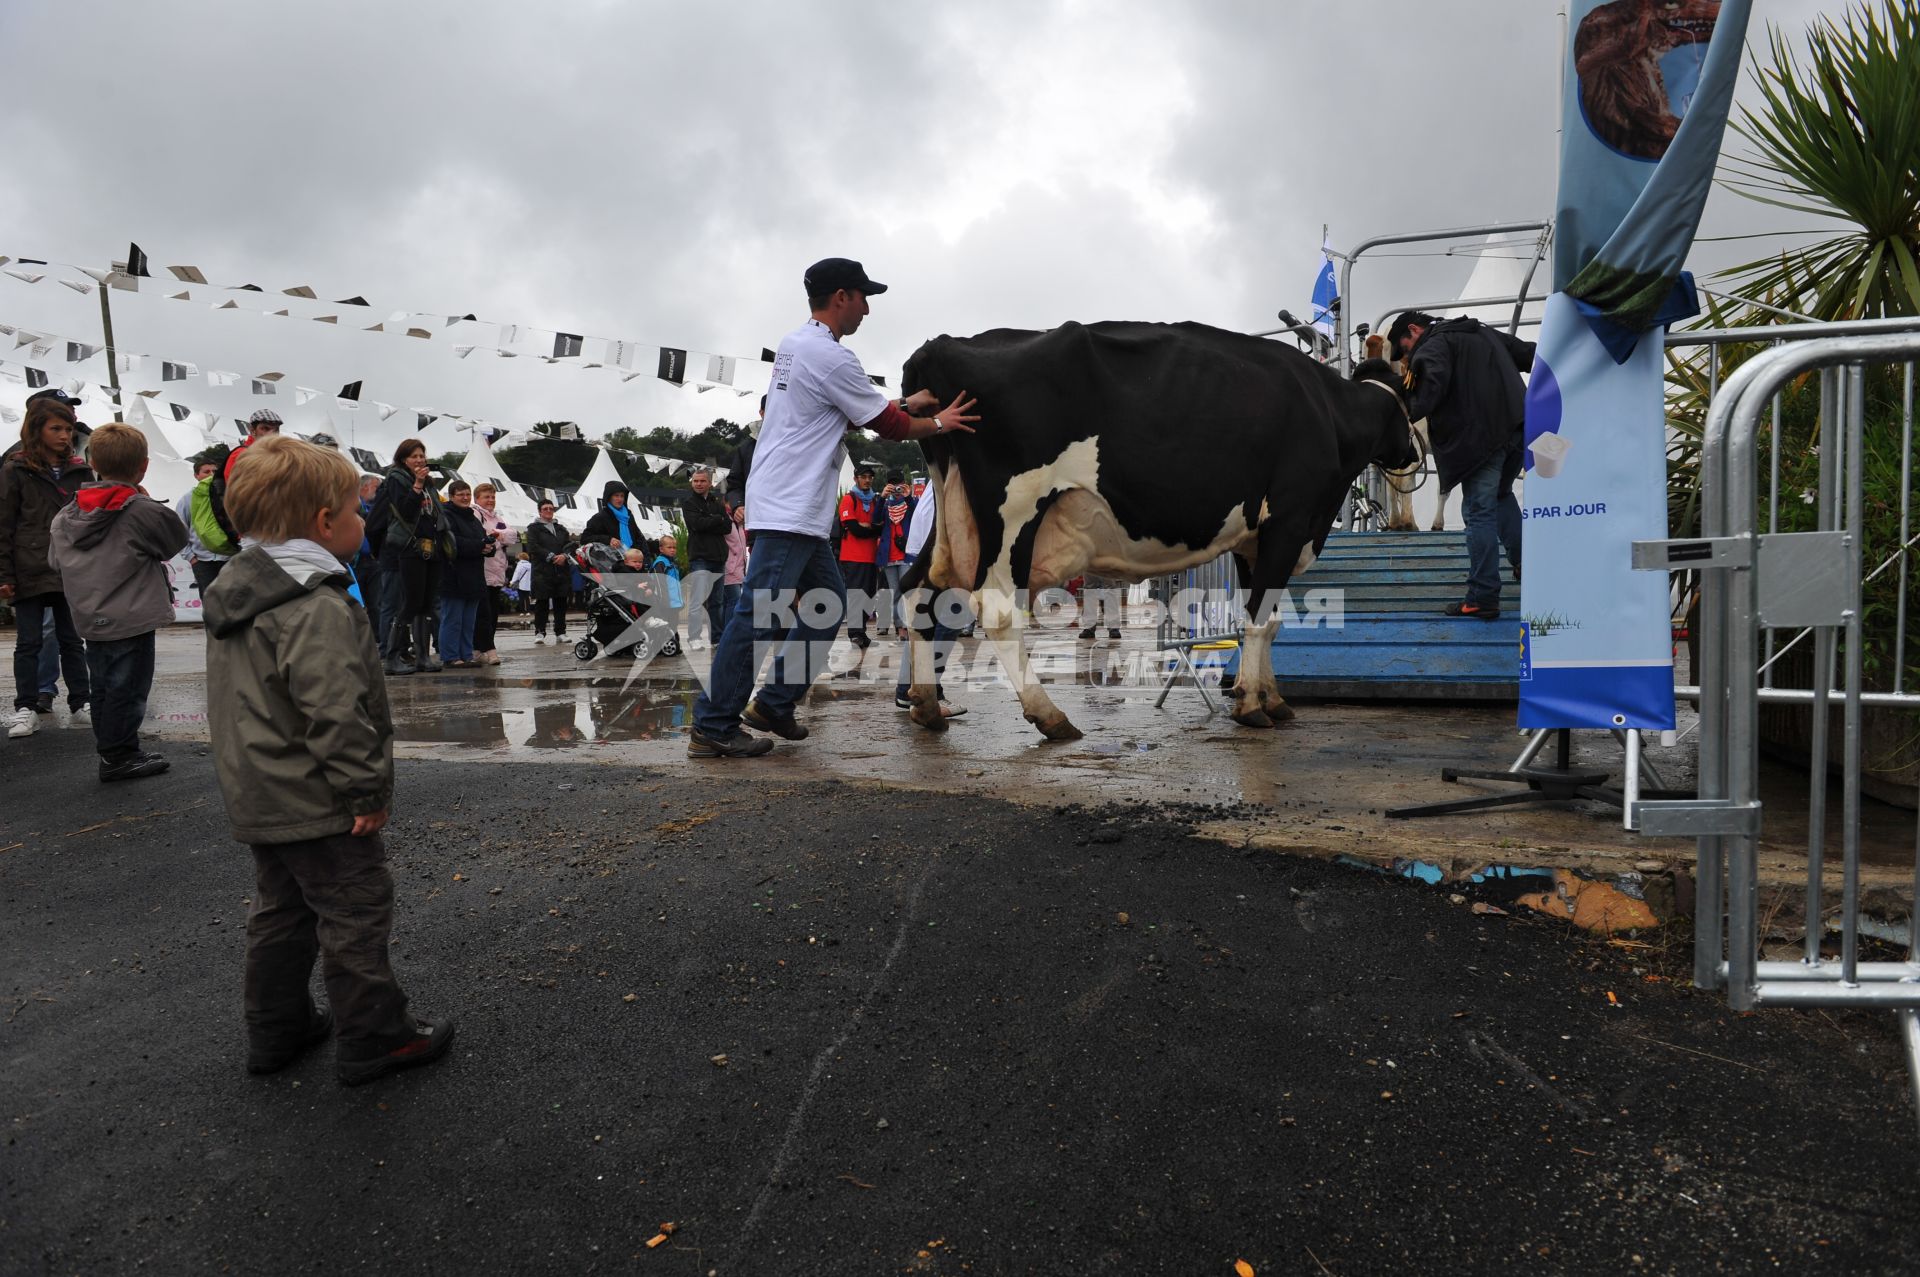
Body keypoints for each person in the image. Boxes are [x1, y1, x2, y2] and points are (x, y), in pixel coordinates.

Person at [201, 434, 455, 1085]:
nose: (361, 521)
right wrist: (364, 791)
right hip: (318, 797)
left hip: (261, 793)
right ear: (322, 524)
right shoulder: (314, 605)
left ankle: (276, 1027)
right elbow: (336, 712)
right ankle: (375, 1033)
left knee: (282, 911)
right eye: (353, 510)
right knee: (355, 904)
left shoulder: (239, 595)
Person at [689, 256, 978, 758]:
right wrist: (940, 423)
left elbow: (843, 412)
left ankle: (775, 703)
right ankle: (713, 723)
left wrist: (904, 405)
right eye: (864, 297)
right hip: (789, 508)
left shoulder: (795, 345)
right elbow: (886, 426)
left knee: (827, 605)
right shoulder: (831, 356)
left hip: (792, 506)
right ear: (841, 297)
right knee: (759, 615)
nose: (867, 309)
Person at [47, 422, 188, 780]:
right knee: (129, 687)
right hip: (132, 615)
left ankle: (111, 749)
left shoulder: (66, 514)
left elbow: (53, 561)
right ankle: (119, 754)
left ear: (93, 463)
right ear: (143, 465)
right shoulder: (140, 510)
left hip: (90, 615)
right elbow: (174, 540)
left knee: (104, 687)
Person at [1390, 310, 1534, 619]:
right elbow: (1529, 354)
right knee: (1500, 496)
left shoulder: (1431, 346)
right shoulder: (1480, 331)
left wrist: (1403, 415)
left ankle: (1482, 596)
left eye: (1404, 348)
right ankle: (1531, 568)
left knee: (1477, 511)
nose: (1406, 355)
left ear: (1414, 330)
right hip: (1520, 427)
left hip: (1482, 438)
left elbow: (1431, 384)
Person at [0, 396, 94, 739]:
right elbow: (4, 525)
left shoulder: (81, 470)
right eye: (56, 428)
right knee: (29, 642)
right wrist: (4, 575)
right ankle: (26, 708)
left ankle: (81, 703)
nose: (64, 436)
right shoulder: (15, 469)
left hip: (69, 568)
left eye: (68, 429)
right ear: (36, 430)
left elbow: (90, 521)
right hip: (29, 567)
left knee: (72, 641)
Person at [367, 438, 448, 674]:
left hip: (429, 548)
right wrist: (417, 485)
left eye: (422, 456)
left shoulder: (430, 483)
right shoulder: (397, 479)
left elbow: (435, 513)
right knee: (403, 603)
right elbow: (405, 511)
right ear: (404, 459)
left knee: (425, 603)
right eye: (414, 456)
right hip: (404, 550)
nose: (420, 460)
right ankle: (391, 656)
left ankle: (422, 656)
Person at [892, 487, 966, 718]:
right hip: (936, 551)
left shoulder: (944, 466)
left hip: (923, 549)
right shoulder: (957, 463)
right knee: (951, 616)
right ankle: (927, 690)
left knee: (921, 626)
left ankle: (909, 690)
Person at [207, 409, 282, 550]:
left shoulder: (273, 455)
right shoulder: (242, 454)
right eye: (265, 428)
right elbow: (239, 495)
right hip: (254, 531)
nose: (271, 433)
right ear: (252, 431)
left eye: (275, 430)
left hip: (273, 530)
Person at [437, 480, 488, 668]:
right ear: (452, 496)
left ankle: (466, 654)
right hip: (453, 576)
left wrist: (488, 546)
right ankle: (450, 656)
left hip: (473, 575)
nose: (465, 498)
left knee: (468, 621)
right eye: (461, 495)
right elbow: (452, 543)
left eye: (467, 494)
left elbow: (480, 539)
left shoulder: (473, 518)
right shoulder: (445, 515)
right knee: (453, 619)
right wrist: (480, 546)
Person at [836, 461, 886, 648]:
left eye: (870, 477)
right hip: (852, 557)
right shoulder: (849, 500)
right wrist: (873, 528)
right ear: (856, 478)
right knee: (856, 596)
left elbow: (881, 527)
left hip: (870, 556)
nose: (867, 480)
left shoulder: (875, 500)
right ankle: (855, 633)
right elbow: (855, 529)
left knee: (869, 596)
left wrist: (870, 527)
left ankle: (862, 631)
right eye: (863, 477)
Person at [680, 466, 730, 651]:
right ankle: (694, 637)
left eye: (702, 481)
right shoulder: (688, 503)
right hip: (700, 557)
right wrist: (716, 519)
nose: (699, 484)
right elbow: (696, 524)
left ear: (710, 483)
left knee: (717, 601)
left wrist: (712, 519)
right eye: (695, 481)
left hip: (718, 557)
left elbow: (728, 528)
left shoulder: (716, 503)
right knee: (698, 600)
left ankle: (717, 638)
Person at [472, 483, 517, 665]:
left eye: (492, 497)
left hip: (497, 571)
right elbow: (482, 536)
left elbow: (513, 535)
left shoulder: (497, 516)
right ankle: (486, 649)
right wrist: (500, 537)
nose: (490, 500)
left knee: (492, 614)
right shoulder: (475, 514)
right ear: (477, 499)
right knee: (483, 614)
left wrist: (497, 536)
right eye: (486, 497)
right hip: (482, 570)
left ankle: (479, 649)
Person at [176, 453, 233, 593]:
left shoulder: (228, 494)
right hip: (202, 560)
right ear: (196, 475)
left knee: (232, 600)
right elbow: (179, 529)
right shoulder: (187, 499)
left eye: (214, 471)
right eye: (206, 472)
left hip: (229, 557)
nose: (211, 474)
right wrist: (191, 557)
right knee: (209, 601)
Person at [524, 500, 575, 643]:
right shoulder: (533, 528)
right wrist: (552, 556)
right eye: (545, 508)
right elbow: (533, 547)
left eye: (551, 508)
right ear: (540, 511)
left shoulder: (561, 528)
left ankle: (561, 632)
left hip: (561, 570)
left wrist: (564, 556)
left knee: (561, 602)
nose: (548, 511)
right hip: (542, 570)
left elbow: (570, 545)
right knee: (542, 602)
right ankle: (540, 632)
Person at [877, 468, 915, 637]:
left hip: (906, 556)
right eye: (892, 484)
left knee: (909, 592)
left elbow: (917, 516)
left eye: (898, 484)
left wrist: (908, 496)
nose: (896, 488)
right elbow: (875, 520)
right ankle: (900, 627)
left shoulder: (909, 503)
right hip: (889, 556)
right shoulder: (885, 505)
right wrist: (882, 497)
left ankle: (909, 626)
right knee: (896, 593)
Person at [352, 474, 385, 641]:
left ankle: (378, 638)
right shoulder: (353, 505)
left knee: (376, 602)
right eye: (375, 488)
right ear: (364, 487)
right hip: (356, 561)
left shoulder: (375, 507)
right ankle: (362, 639)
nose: (378, 492)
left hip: (373, 561)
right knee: (358, 603)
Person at [583, 480, 641, 555]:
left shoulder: (628, 515)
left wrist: (645, 560)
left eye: (622, 496)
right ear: (609, 497)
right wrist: (608, 539)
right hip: (610, 563)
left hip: (632, 560)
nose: (620, 499)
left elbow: (639, 538)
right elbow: (585, 538)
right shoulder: (600, 517)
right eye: (616, 495)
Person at [649, 533, 686, 649]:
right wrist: (664, 601)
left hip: (674, 602)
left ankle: (674, 644)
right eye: (669, 547)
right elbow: (660, 584)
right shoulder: (660, 563)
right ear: (661, 548)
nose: (673, 550)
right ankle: (664, 645)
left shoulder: (672, 563)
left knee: (674, 624)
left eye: (674, 547)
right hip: (665, 602)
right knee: (667, 624)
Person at [718, 497, 747, 642]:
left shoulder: (739, 523)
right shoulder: (725, 520)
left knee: (729, 601)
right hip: (729, 567)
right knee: (734, 601)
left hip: (739, 568)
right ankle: (729, 633)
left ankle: (726, 632)